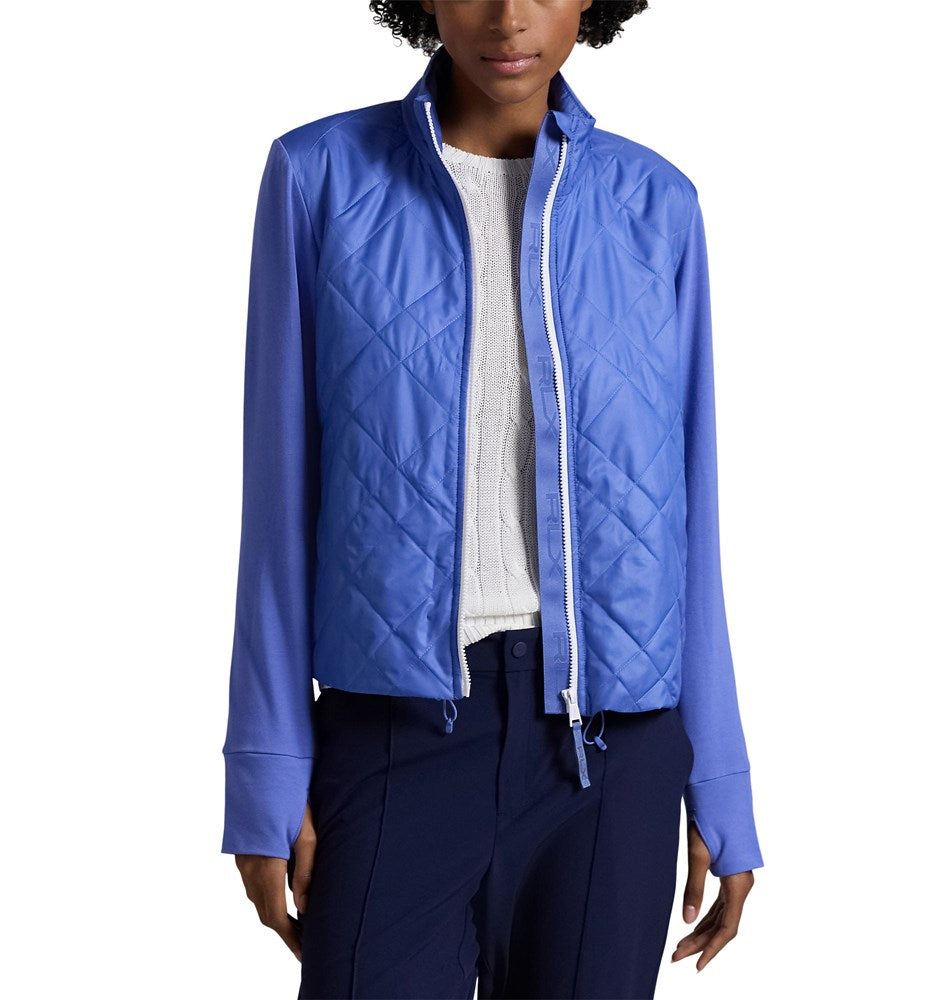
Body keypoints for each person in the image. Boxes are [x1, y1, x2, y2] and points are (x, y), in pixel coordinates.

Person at [220, 2, 764, 997]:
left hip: (612, 759)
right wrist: (266, 770)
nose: (509, 17)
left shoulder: (657, 206)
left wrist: (717, 779)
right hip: (394, 738)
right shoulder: (319, 179)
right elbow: (278, 504)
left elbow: (688, 518)